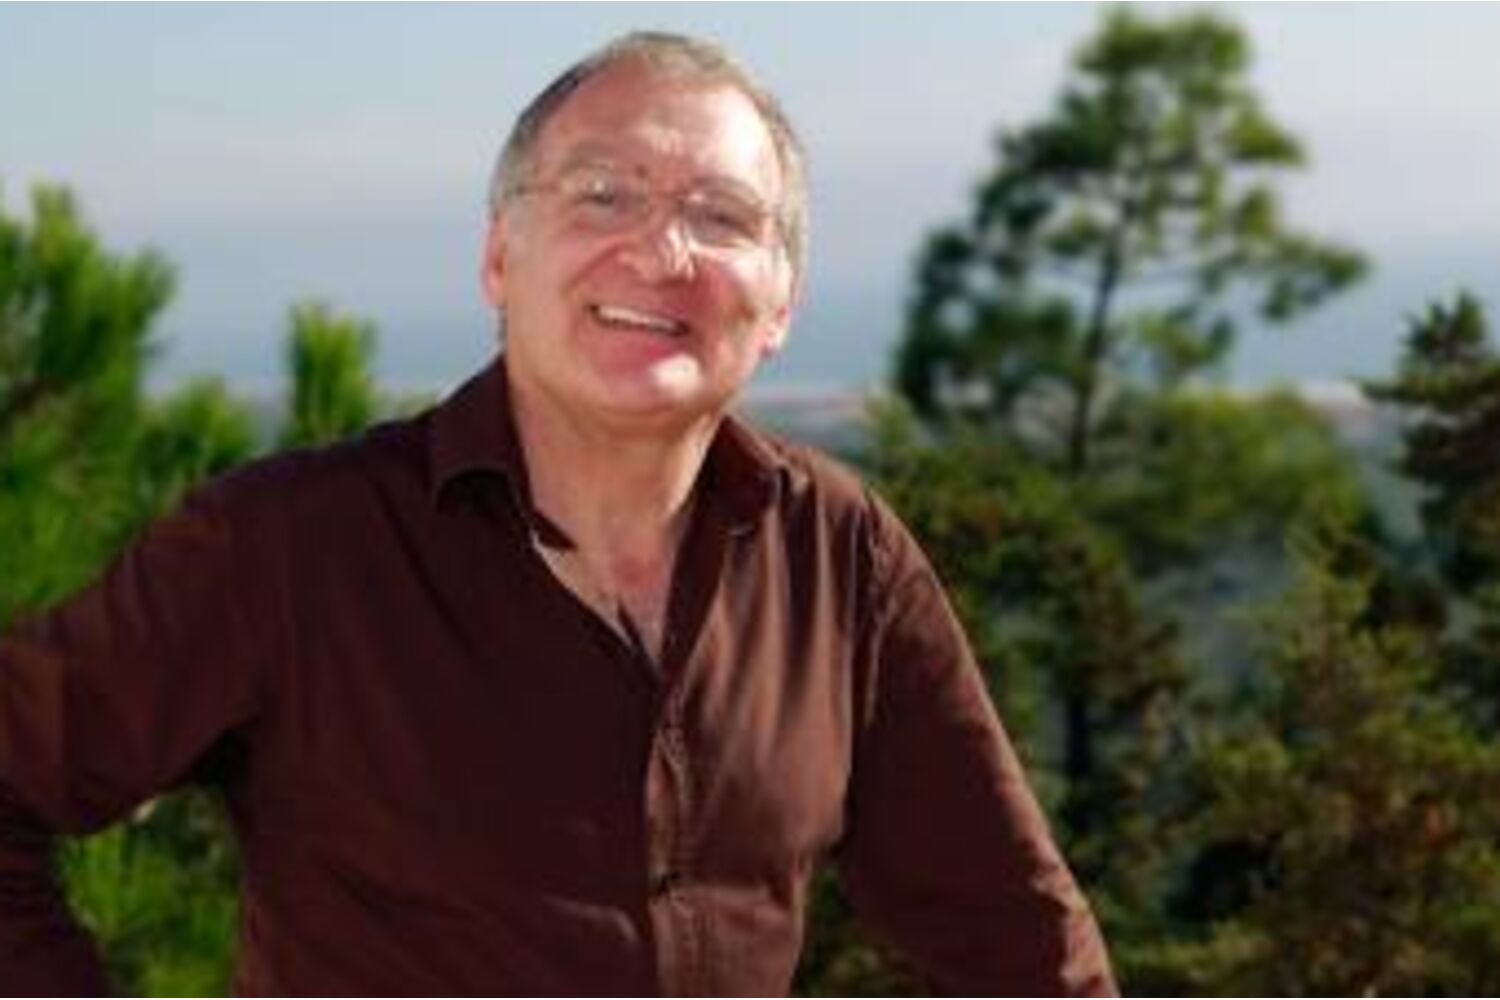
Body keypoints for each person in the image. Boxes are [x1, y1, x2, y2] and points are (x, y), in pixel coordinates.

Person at [0, 31, 1116, 996]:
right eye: (603, 194)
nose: (663, 250)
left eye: (722, 216)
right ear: (500, 257)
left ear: (780, 302)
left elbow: (1013, 937)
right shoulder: (292, 544)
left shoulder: (840, 553)